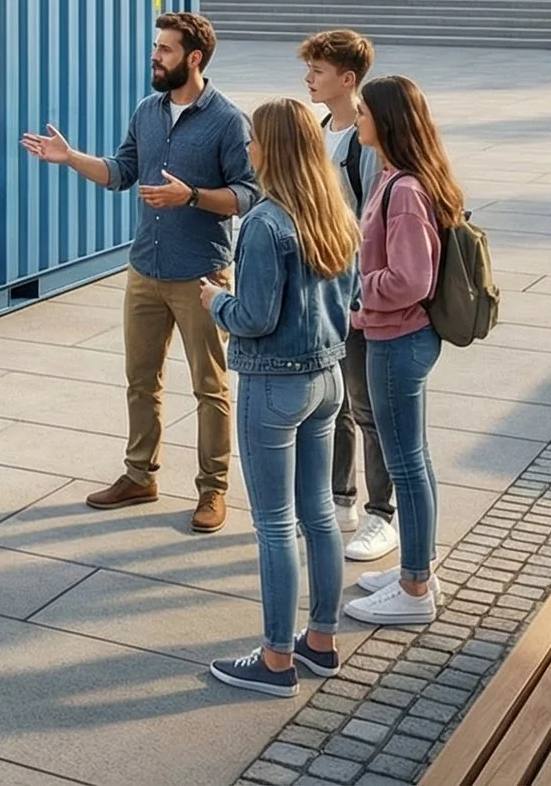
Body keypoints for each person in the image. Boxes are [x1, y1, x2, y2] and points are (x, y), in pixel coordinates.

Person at [21, 11, 258, 536]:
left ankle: (212, 490)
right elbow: (121, 172)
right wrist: (71, 158)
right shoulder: (147, 111)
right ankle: (139, 475)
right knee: (140, 381)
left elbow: (247, 195)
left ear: (194, 59)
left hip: (202, 277)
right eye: (156, 47)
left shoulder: (228, 121)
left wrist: (191, 196)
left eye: (166, 50)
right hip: (144, 269)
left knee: (210, 388)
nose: (155, 56)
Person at [199, 99, 359, 696]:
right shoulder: (335, 211)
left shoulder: (266, 223)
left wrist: (215, 301)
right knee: (320, 515)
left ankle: (274, 660)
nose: (249, 151)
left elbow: (255, 317)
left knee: (273, 524)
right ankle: (320, 641)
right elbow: (353, 296)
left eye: (256, 141)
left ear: (275, 149)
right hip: (327, 379)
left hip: (274, 384)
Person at [343, 74, 462, 629]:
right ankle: (418, 568)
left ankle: (414, 588)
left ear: (385, 121)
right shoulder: (396, 178)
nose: (357, 117)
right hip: (396, 337)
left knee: (406, 464)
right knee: (415, 460)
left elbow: (410, 280)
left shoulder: (404, 190)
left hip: (398, 340)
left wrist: (354, 293)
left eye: (364, 111)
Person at [298, 29, 395, 561]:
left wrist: (362, 292)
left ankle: (383, 514)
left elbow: (374, 222)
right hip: (326, 284)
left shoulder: (368, 140)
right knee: (333, 401)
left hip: (360, 290)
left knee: (366, 404)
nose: (308, 80)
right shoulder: (318, 129)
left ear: (347, 79)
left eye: (317, 71)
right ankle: (341, 499)